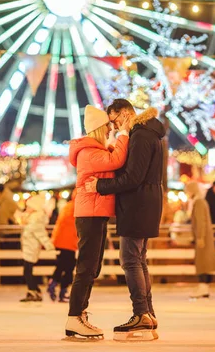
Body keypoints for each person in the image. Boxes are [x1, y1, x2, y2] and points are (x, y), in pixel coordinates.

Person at [86, 100, 165, 341]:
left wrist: (101, 185)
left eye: (115, 120)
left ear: (126, 113)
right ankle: (147, 313)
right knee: (139, 259)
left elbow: (133, 177)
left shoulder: (141, 136)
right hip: (146, 202)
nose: (115, 126)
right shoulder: (151, 134)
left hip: (137, 204)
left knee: (130, 259)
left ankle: (141, 313)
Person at [65, 105, 129, 340]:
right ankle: (74, 317)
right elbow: (116, 160)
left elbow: (110, 157)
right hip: (89, 214)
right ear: (99, 128)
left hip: (94, 213)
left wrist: (115, 138)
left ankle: (79, 314)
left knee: (92, 267)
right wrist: (123, 134)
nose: (110, 129)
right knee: (86, 267)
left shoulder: (92, 151)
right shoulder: (89, 153)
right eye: (108, 127)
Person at [185, 182, 215, 299]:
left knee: (203, 262)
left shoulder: (198, 202)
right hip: (205, 237)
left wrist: (200, 237)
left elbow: (201, 221)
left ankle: (203, 286)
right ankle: (204, 287)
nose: (187, 192)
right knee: (205, 262)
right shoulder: (200, 201)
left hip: (203, 237)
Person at [19, 193, 55, 302]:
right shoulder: (31, 218)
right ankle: (34, 290)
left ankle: (33, 291)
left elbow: (41, 234)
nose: (27, 208)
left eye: (29, 206)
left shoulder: (35, 219)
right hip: (29, 248)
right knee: (27, 271)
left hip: (31, 249)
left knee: (27, 271)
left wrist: (49, 246)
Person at [47, 189, 78, 303]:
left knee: (62, 265)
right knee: (69, 267)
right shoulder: (76, 207)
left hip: (62, 241)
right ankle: (62, 290)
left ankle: (54, 283)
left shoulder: (68, 206)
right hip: (68, 242)